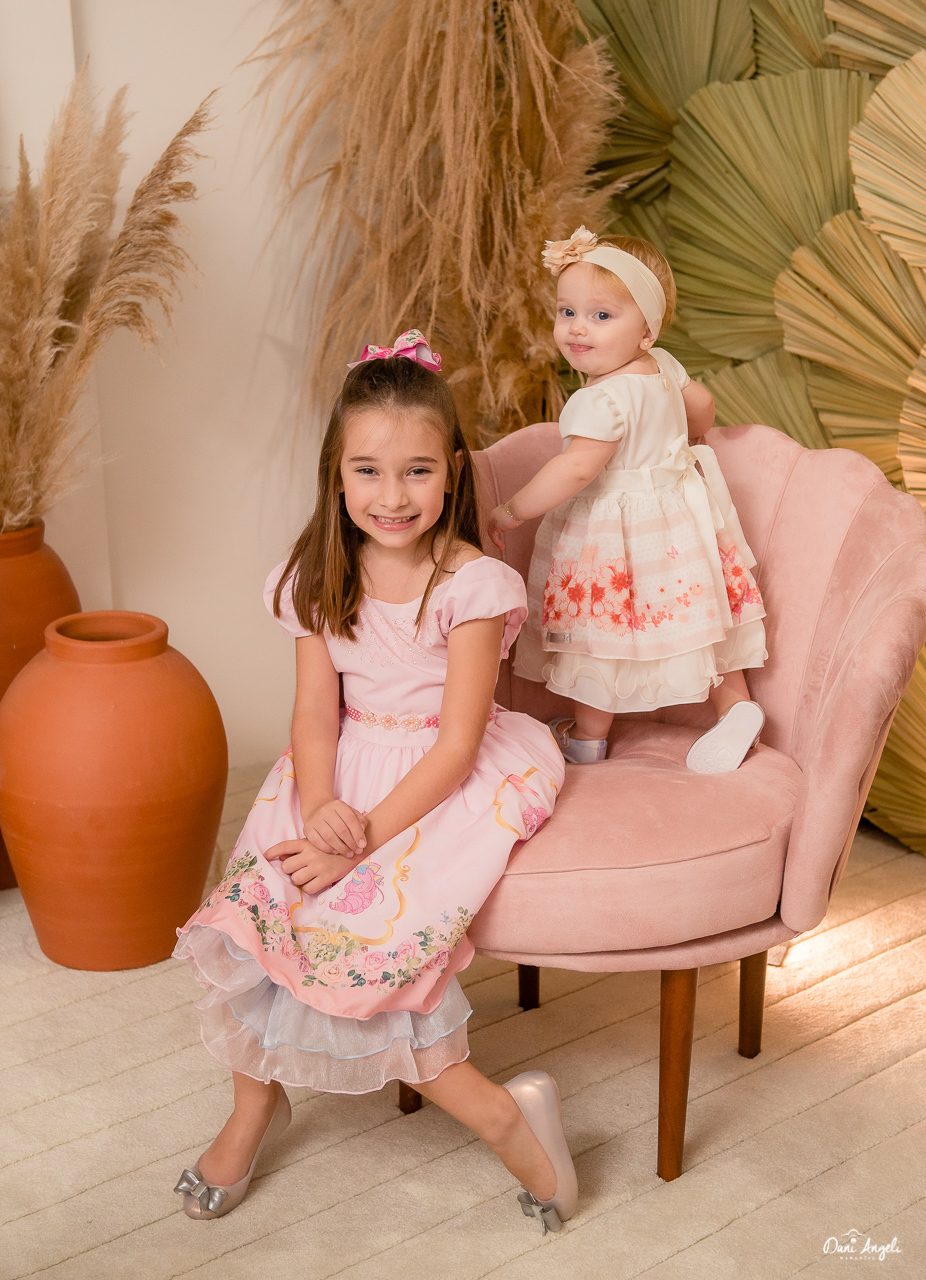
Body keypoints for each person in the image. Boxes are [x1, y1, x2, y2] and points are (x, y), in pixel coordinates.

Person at [172, 330, 575, 1234]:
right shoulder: (315, 577)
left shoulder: (472, 586)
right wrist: (322, 809)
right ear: (337, 474)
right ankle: (253, 1106)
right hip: (339, 766)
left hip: (437, 777)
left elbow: (458, 744)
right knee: (266, 905)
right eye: (369, 472)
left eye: (417, 471)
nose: (393, 497)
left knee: (371, 934)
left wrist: (360, 841)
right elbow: (316, 714)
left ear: (453, 472)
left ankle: (504, 1117)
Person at [488, 228, 767, 772]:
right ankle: (736, 707)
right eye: (567, 311)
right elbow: (703, 410)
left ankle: (587, 739)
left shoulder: (599, 400)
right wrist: (679, 436)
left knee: (600, 634)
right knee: (700, 617)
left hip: (613, 537)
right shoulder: (663, 366)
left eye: (601, 316)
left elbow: (575, 469)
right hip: (680, 527)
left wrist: (513, 509)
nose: (577, 328)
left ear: (646, 331)